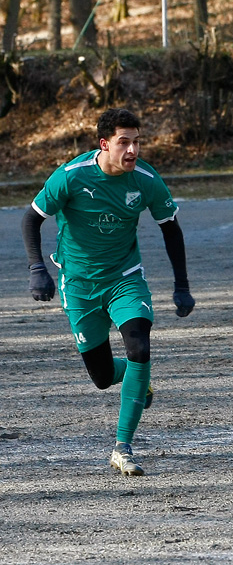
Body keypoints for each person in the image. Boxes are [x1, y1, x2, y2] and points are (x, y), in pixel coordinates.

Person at [21, 108, 195, 476]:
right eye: (124, 142)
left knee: (140, 347)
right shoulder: (71, 176)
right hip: (80, 284)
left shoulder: (146, 179)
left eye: (136, 141)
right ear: (105, 144)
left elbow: (171, 228)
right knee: (101, 376)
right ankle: (140, 382)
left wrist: (182, 285)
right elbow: (31, 218)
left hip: (125, 278)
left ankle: (123, 446)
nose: (132, 150)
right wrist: (38, 269)